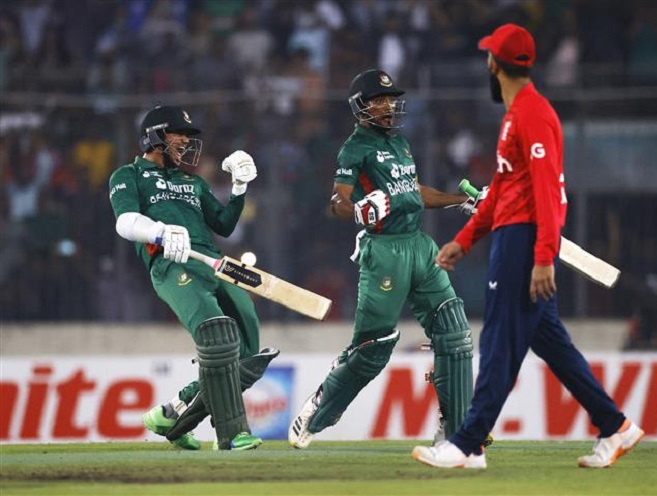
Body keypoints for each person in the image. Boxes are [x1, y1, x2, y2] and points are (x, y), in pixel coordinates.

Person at [412, 24, 644, 470]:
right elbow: (501, 189)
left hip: (522, 242)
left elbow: (549, 193)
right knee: (552, 345)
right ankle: (615, 427)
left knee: (499, 342)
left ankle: (467, 444)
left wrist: (542, 258)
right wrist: (465, 239)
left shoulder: (532, 114)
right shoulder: (519, 114)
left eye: (488, 56)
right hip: (514, 236)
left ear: (494, 63)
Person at [288, 69, 476, 449]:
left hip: (420, 245)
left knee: (454, 332)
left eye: (390, 100)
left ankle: (457, 432)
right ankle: (319, 407)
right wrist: (360, 209)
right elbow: (336, 202)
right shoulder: (353, 148)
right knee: (374, 347)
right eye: (379, 100)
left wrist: (466, 200)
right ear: (361, 108)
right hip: (384, 250)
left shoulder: (400, 144)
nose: (388, 106)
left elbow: (415, 191)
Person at [108, 105, 277, 451]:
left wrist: (240, 187)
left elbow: (225, 226)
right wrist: (158, 231)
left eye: (187, 136)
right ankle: (231, 434)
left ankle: (175, 414)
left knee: (247, 351)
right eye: (178, 134)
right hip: (171, 265)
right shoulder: (128, 175)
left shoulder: (193, 181)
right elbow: (124, 223)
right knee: (216, 333)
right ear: (154, 136)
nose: (186, 141)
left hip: (214, 262)